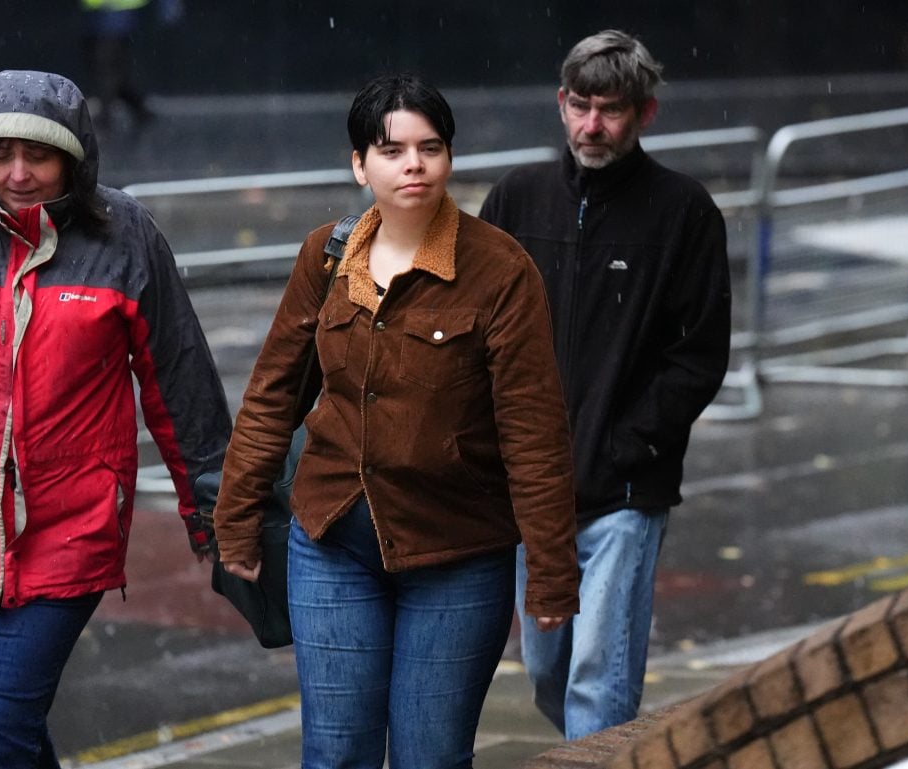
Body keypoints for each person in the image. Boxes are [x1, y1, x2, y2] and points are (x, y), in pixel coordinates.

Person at [214, 73, 579, 768]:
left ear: (448, 157)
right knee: (337, 751)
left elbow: (533, 433)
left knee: (430, 757)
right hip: (330, 542)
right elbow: (273, 394)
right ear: (360, 164)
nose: (413, 163)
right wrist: (234, 521)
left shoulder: (500, 270)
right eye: (391, 149)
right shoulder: (326, 254)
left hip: (457, 555)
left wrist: (552, 573)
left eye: (430, 147)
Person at [0, 70, 231, 768]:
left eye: (37, 155)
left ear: (74, 158)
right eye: (0, 152)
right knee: (2, 721)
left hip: (69, 527)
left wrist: (215, 512)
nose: (17, 173)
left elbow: (178, 380)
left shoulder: (124, 234)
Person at [479, 30, 732, 740]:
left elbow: (699, 354)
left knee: (600, 674)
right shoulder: (517, 200)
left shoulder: (684, 213)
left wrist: (629, 444)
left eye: (611, 110)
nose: (593, 125)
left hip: (625, 492)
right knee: (548, 668)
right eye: (581, 106)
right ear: (561, 104)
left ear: (645, 113)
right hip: (530, 489)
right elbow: (473, 328)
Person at [79, 0, 183, 128]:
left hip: (115, 12)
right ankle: (135, 108)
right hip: (101, 13)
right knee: (106, 63)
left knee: (106, 63)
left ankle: (106, 112)